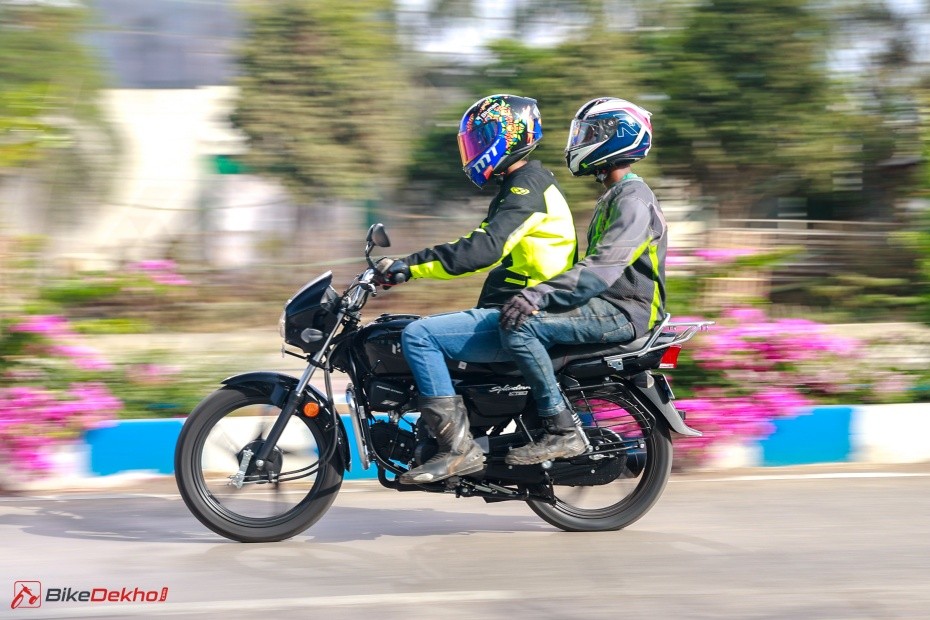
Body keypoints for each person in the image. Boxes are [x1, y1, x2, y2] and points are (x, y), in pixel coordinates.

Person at [373, 94, 577, 484]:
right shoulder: (523, 183)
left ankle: (457, 450)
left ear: (509, 136)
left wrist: (409, 266)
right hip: (525, 311)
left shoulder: (527, 187)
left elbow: (483, 249)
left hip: (531, 318)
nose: (474, 150)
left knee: (418, 336)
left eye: (481, 139)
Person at [498, 96, 667, 465]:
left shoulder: (633, 199)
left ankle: (563, 431)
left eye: (590, 133)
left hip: (624, 311)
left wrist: (539, 295)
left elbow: (603, 267)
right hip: (610, 305)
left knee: (521, 327)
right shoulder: (617, 195)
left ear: (618, 136)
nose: (579, 140)